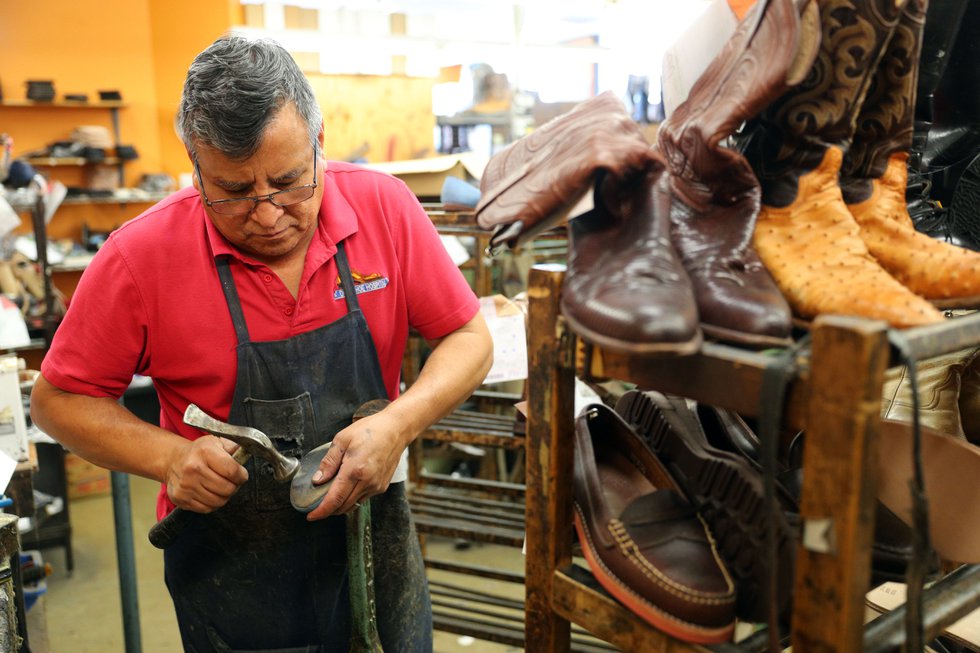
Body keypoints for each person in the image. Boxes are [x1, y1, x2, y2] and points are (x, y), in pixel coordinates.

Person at [30, 34, 493, 652]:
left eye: (289, 181)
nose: (269, 213)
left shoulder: (385, 208)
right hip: (232, 576)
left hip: (371, 543)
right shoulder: (140, 259)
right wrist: (169, 458)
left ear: (319, 143)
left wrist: (400, 424)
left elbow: (469, 336)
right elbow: (58, 400)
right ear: (195, 168)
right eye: (233, 191)